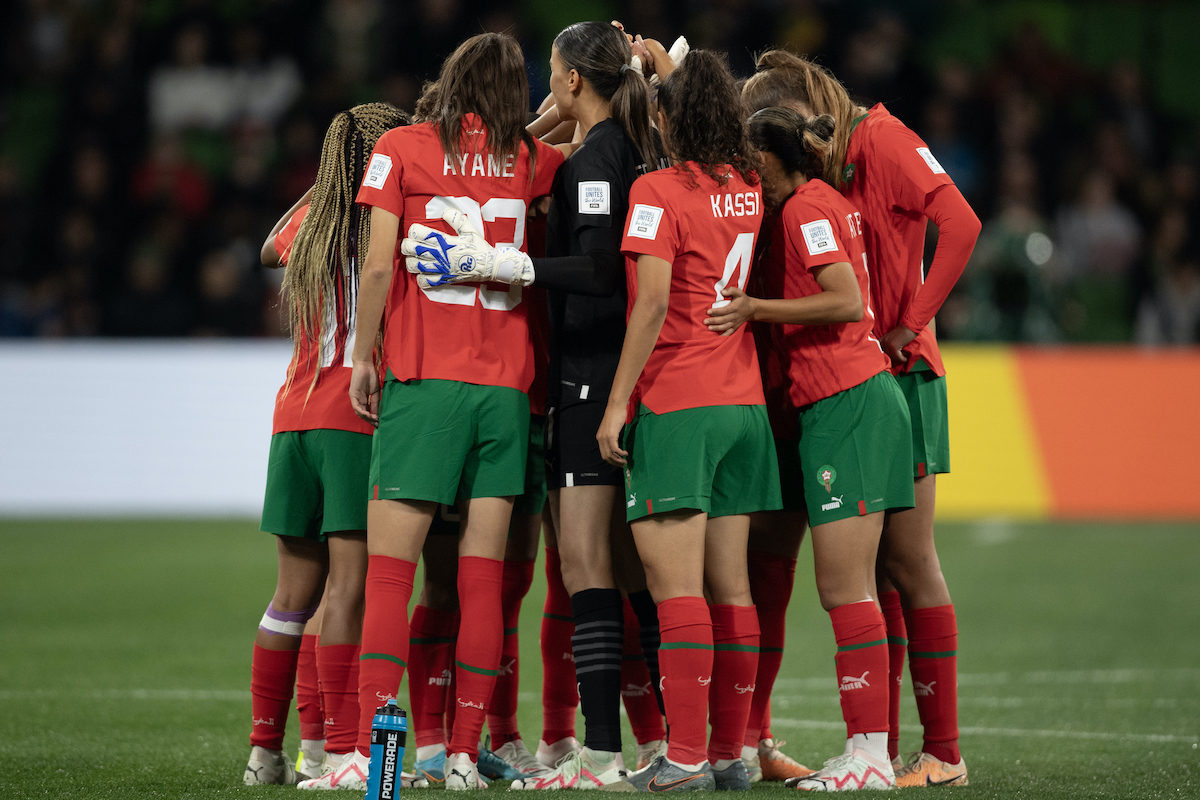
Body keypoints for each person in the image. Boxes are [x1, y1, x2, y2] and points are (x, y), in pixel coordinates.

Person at [311, 32, 563, 793]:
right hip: (507, 393)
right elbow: (567, 131)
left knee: (391, 578)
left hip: (426, 383)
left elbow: (380, 261)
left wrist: (363, 355)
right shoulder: (531, 159)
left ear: (448, 81)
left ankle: (377, 756)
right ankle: (461, 754)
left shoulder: (404, 147)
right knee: (484, 581)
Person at [742, 51, 980, 788]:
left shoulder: (880, 140)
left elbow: (961, 223)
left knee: (902, 564)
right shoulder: (825, 175)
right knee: (784, 563)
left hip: (893, 373)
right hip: (814, 379)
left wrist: (910, 323)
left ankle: (933, 751)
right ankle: (816, 742)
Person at [707, 107, 917, 791]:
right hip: (845, 401)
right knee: (847, 587)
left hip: (846, 402)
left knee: (845, 588)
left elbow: (847, 299)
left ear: (771, 158)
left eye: (750, 157)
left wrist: (754, 309)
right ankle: (864, 751)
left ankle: (870, 757)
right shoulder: (822, 200)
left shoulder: (803, 208)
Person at [601, 49, 780, 792]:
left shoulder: (655, 189)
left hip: (678, 399)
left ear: (667, 117)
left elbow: (649, 303)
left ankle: (681, 758)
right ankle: (731, 754)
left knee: (675, 593)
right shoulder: (749, 187)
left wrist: (618, 404)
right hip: (744, 406)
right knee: (731, 588)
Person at [244, 102, 409, 787]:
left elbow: (265, 247)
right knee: (350, 590)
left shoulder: (309, 226)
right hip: (351, 417)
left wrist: (325, 180)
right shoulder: (387, 227)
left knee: (291, 597)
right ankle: (334, 748)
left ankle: (268, 752)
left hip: (292, 417)